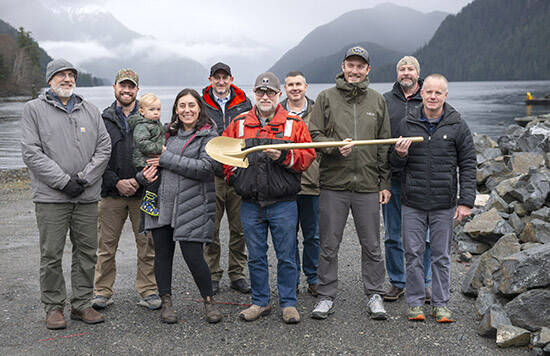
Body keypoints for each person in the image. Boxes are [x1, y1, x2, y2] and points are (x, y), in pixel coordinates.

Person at [21, 58, 111, 329]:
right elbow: (31, 152)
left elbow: (104, 148)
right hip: (51, 198)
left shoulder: (91, 110)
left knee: (87, 252)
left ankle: (82, 304)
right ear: (49, 80)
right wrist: (62, 182)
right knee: (51, 254)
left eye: (71, 75)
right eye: (61, 75)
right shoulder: (33, 110)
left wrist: (84, 179)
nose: (67, 79)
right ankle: (53, 307)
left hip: (85, 195)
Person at [223, 72, 315, 324]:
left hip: (283, 202)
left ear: (279, 95)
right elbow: (225, 158)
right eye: (260, 92)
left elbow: (307, 157)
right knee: (255, 255)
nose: (265, 97)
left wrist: (283, 157)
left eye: (270, 93)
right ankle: (260, 302)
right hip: (250, 203)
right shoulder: (240, 123)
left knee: (286, 254)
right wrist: (234, 179)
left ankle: (288, 303)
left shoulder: (293, 124)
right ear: (254, 94)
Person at [309, 46, 391, 320]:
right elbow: (313, 136)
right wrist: (333, 148)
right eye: (350, 65)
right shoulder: (325, 98)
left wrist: (384, 183)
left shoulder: (378, 101)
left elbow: (384, 146)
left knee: (372, 244)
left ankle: (375, 293)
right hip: (334, 184)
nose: (354, 71)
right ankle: (325, 295)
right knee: (329, 244)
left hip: (368, 185)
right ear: (343, 66)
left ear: (368, 70)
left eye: (360, 66)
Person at [390, 74, 476, 323]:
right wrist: (400, 154)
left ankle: (440, 305)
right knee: (413, 253)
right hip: (412, 202)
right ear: (422, 93)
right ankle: (415, 304)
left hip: (443, 203)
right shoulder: (407, 122)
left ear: (445, 95)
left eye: (438, 92)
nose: (433, 96)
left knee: (441, 256)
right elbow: (393, 163)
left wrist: (465, 201)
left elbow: (468, 163)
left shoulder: (457, 124)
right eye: (429, 92)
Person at [139, 88, 222, 324]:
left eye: (191, 105)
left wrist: (166, 158)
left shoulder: (208, 136)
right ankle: (166, 303)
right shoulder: (164, 133)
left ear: (199, 108)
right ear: (176, 109)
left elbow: (206, 168)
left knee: (194, 256)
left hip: (192, 204)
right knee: (162, 256)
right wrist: (143, 175)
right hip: (160, 203)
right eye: (182, 105)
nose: (187, 110)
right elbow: (146, 159)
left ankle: (209, 302)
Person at [93, 69, 160, 311]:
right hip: (111, 193)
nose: (127, 90)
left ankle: (149, 289)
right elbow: (97, 157)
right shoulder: (103, 119)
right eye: (123, 85)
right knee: (106, 246)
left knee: (147, 245)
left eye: (131, 86)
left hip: (142, 193)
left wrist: (139, 180)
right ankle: (102, 291)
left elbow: (156, 154)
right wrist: (116, 182)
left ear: (137, 91)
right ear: (115, 87)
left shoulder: (150, 119)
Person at [382, 56, 432, 302]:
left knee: (423, 236)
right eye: (402, 69)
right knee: (393, 234)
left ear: (417, 73)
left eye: (410, 68)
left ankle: (424, 283)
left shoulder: (430, 98)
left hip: (422, 177)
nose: (406, 72)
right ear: (397, 73)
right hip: (393, 176)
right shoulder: (385, 101)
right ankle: (398, 281)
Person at [202, 62, 252, 294]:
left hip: (237, 174)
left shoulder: (244, 103)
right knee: (210, 229)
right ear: (210, 80)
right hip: (211, 175)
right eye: (216, 78)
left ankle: (237, 273)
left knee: (239, 228)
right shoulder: (200, 104)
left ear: (231, 79)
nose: (221, 82)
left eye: (225, 78)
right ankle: (212, 274)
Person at [281, 70, 320, 296]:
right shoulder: (278, 114)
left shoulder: (318, 111)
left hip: (312, 182)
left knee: (313, 235)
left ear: (306, 87)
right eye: (290, 85)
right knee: (288, 236)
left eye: (298, 84)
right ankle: (292, 279)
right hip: (285, 184)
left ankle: (313, 278)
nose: (294, 88)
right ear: (284, 89)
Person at [128, 93, 165, 216]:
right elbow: (142, 143)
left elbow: (160, 135)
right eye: (152, 109)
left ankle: (152, 202)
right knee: (154, 180)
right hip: (144, 161)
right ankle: (148, 203)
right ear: (142, 111)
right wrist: (159, 149)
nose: (156, 112)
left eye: (158, 109)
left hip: (149, 159)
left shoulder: (154, 123)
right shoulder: (142, 125)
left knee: (158, 179)